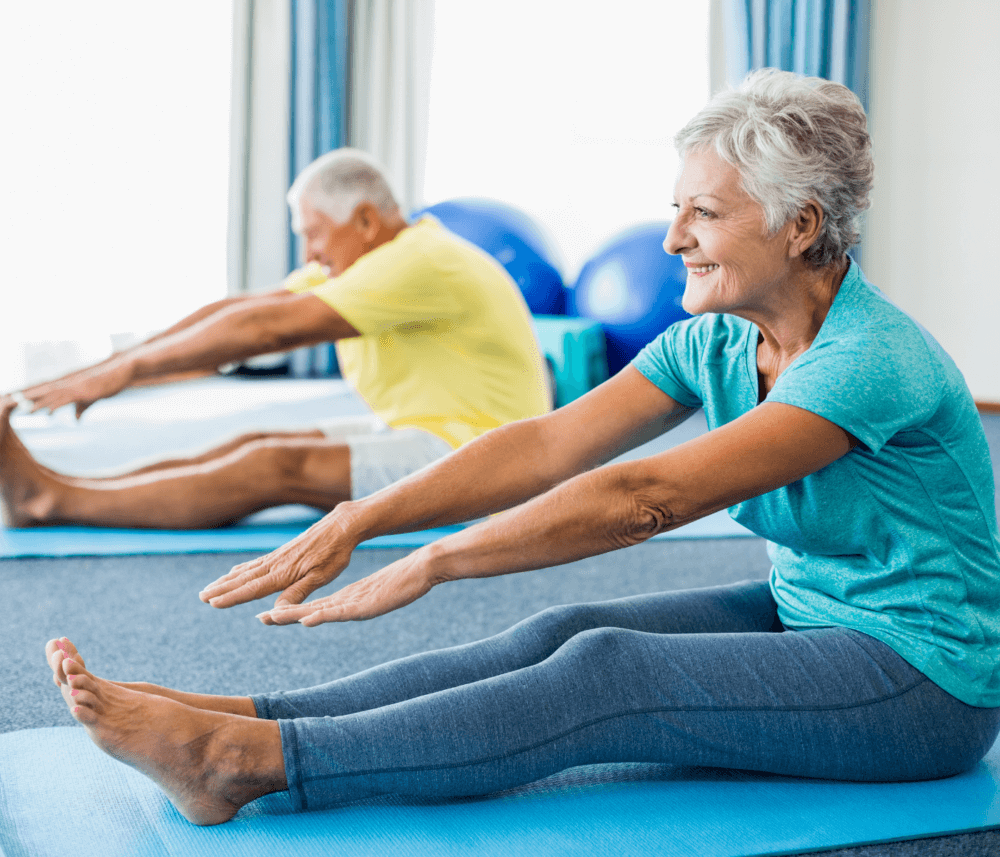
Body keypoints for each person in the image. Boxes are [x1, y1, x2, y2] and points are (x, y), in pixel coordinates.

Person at [45, 70, 1000, 826]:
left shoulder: (868, 361)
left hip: (922, 680)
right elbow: (551, 443)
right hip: (811, 615)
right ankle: (247, 716)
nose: (670, 239)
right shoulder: (717, 338)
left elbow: (646, 498)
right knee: (560, 630)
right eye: (675, 208)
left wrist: (437, 557)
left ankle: (237, 766)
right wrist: (366, 516)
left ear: (801, 226)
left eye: (702, 215)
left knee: (611, 672)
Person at [0, 149, 550, 529]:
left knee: (273, 466)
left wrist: (122, 374)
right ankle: (66, 488)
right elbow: (246, 310)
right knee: (250, 442)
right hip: (430, 431)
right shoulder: (368, 259)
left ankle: (49, 500)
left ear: (363, 219)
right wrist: (118, 361)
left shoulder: (418, 261)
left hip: (483, 461)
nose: (309, 253)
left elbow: (265, 332)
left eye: (313, 233)